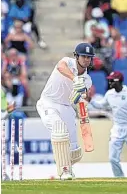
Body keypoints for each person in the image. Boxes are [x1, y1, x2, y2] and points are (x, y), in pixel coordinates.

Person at [36, 43, 95, 180]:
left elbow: (75, 99)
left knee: (74, 151)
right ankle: (64, 172)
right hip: (48, 103)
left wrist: (80, 92)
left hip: (66, 107)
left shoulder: (87, 80)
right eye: (84, 56)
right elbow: (60, 67)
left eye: (89, 57)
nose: (87, 59)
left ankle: (67, 166)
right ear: (76, 56)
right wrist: (75, 79)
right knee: (59, 130)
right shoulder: (67, 62)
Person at [90, 71, 127, 178]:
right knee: (112, 158)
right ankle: (119, 177)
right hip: (117, 128)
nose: (110, 82)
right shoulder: (109, 94)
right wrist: (90, 100)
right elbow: (101, 105)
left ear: (118, 81)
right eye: (109, 80)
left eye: (112, 80)